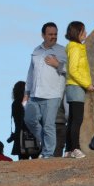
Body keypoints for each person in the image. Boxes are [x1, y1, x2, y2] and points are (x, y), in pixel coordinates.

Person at [23, 22, 67, 159]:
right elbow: (31, 72)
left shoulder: (62, 50)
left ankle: (48, 154)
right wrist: (26, 92)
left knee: (49, 125)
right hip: (35, 94)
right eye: (50, 34)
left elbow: (72, 71)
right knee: (29, 119)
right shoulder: (36, 50)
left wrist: (57, 64)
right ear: (43, 35)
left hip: (52, 94)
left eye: (55, 34)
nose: (53, 37)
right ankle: (46, 142)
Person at [64, 21, 94, 159]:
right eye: (83, 31)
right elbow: (73, 70)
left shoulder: (74, 47)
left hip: (73, 86)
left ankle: (69, 149)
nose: (86, 34)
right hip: (76, 86)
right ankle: (75, 148)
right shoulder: (76, 48)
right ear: (77, 33)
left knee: (72, 119)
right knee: (77, 119)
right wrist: (87, 84)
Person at [10, 81, 39, 160]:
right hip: (32, 133)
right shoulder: (31, 102)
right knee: (35, 157)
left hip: (19, 134)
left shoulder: (15, 103)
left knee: (22, 159)